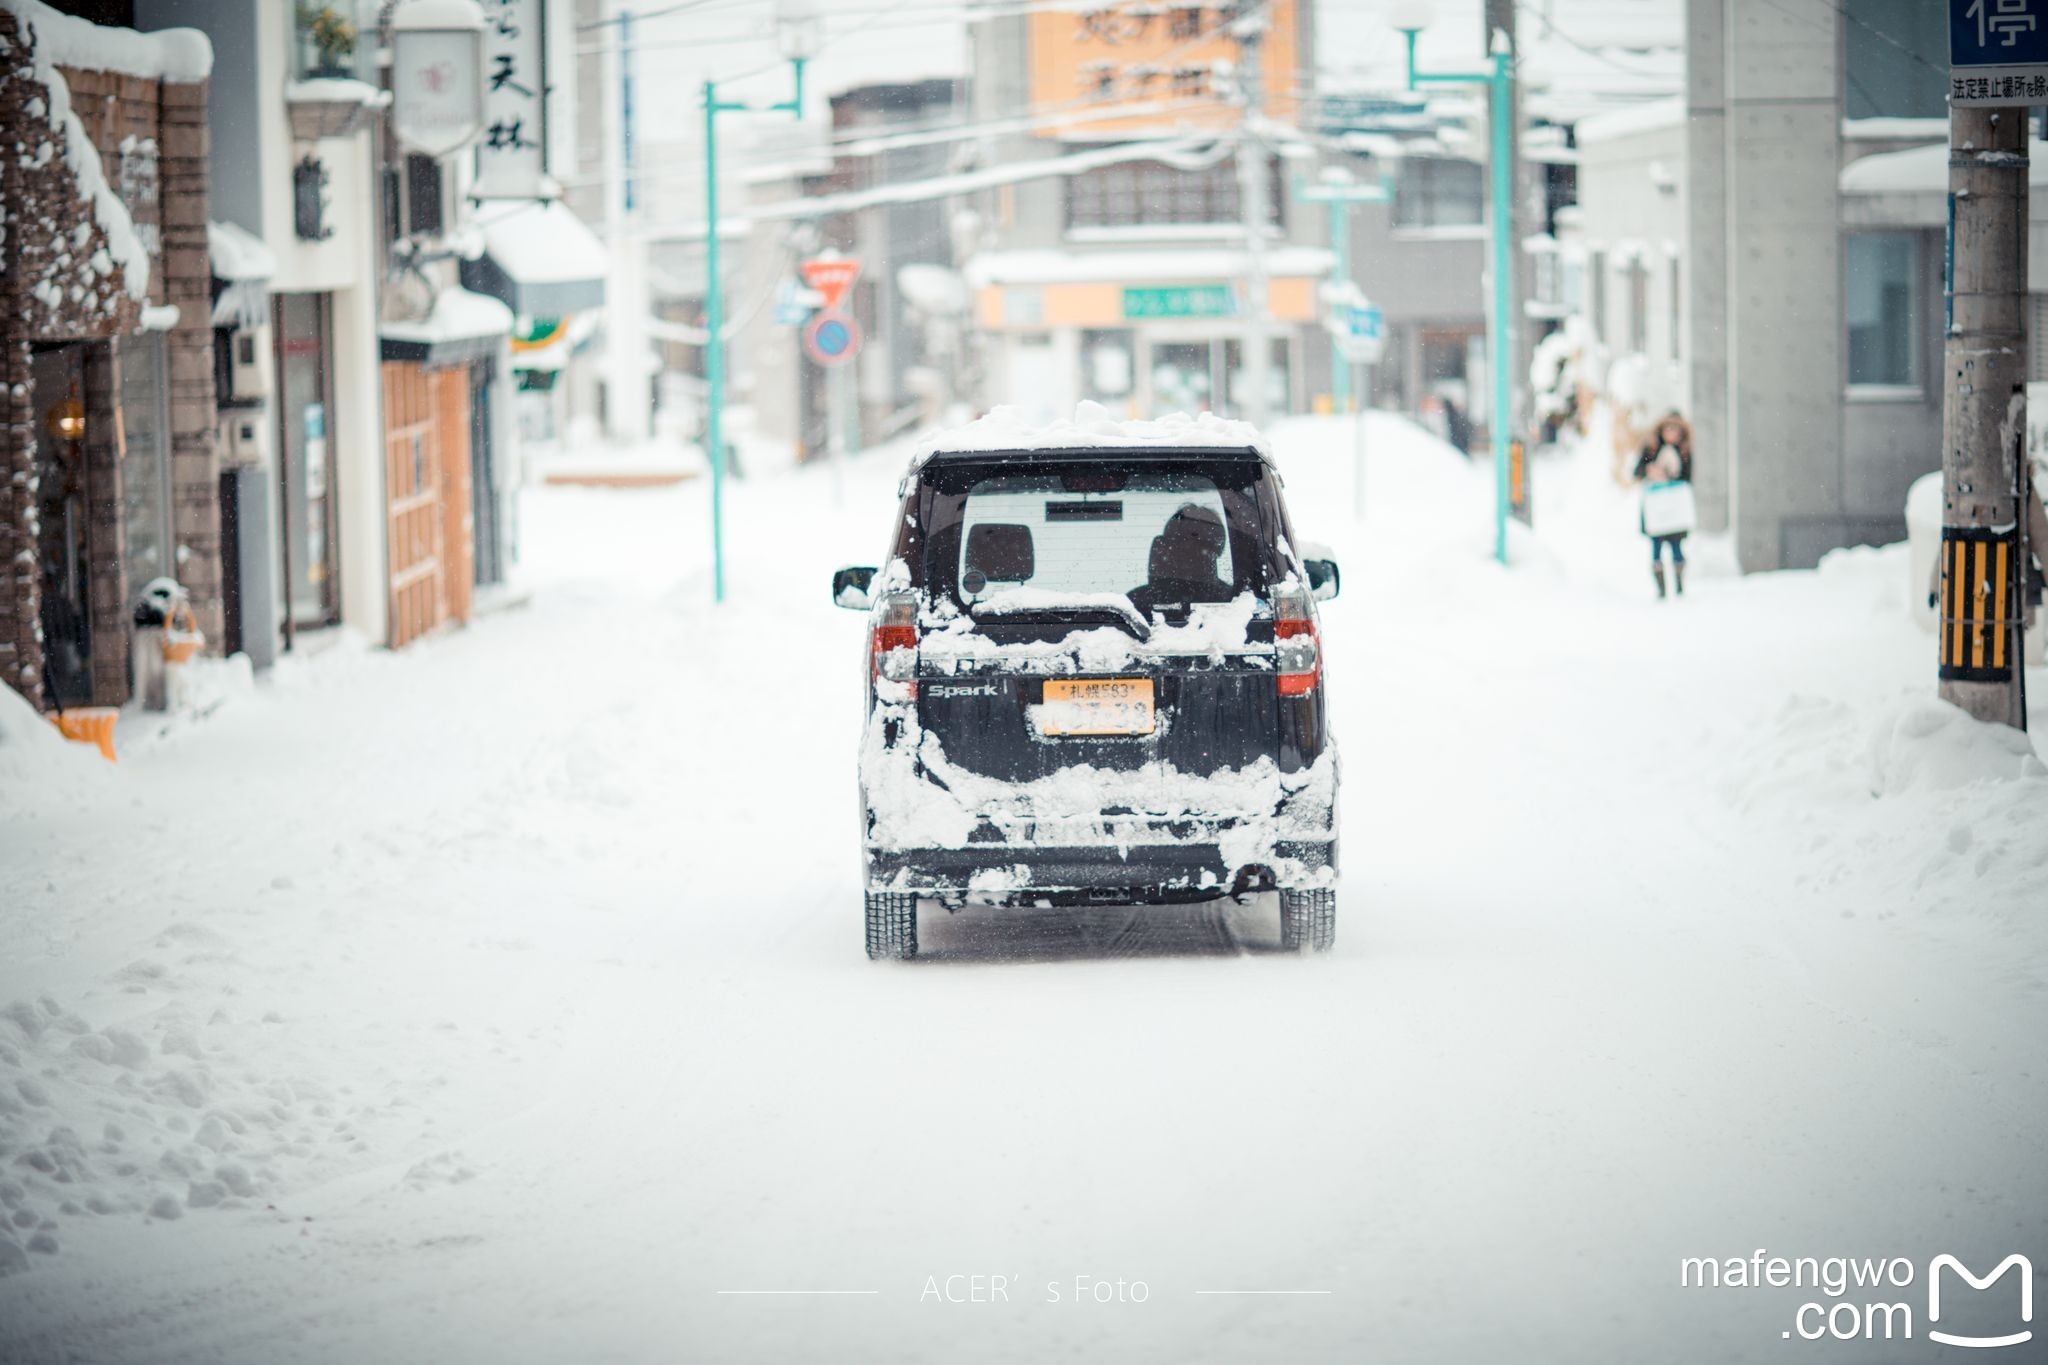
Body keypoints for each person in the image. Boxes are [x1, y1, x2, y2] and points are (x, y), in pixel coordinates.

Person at [1632, 412, 1695, 599]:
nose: (1671, 433)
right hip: (1655, 508)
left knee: (1677, 548)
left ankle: (1679, 585)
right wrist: (1650, 470)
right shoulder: (1651, 449)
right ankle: (1661, 588)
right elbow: (1637, 471)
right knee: (1656, 548)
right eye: (1668, 429)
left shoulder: (1684, 452)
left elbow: (1688, 477)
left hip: (1675, 507)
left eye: (1675, 430)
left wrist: (1670, 475)